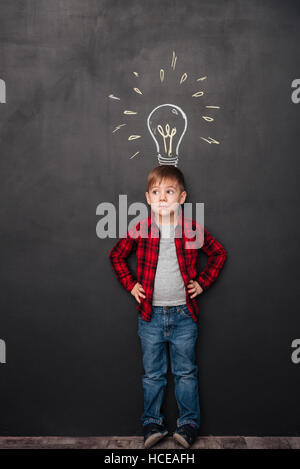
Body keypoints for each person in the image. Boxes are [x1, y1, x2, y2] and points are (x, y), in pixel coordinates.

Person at [109, 165, 227, 449]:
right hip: (150, 315)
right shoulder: (141, 228)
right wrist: (131, 284)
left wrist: (202, 283)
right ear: (148, 198)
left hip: (184, 315)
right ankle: (153, 423)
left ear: (182, 197)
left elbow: (218, 253)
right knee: (153, 374)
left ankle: (187, 425)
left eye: (169, 192)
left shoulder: (190, 229)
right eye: (156, 192)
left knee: (186, 373)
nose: (162, 198)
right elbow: (116, 256)